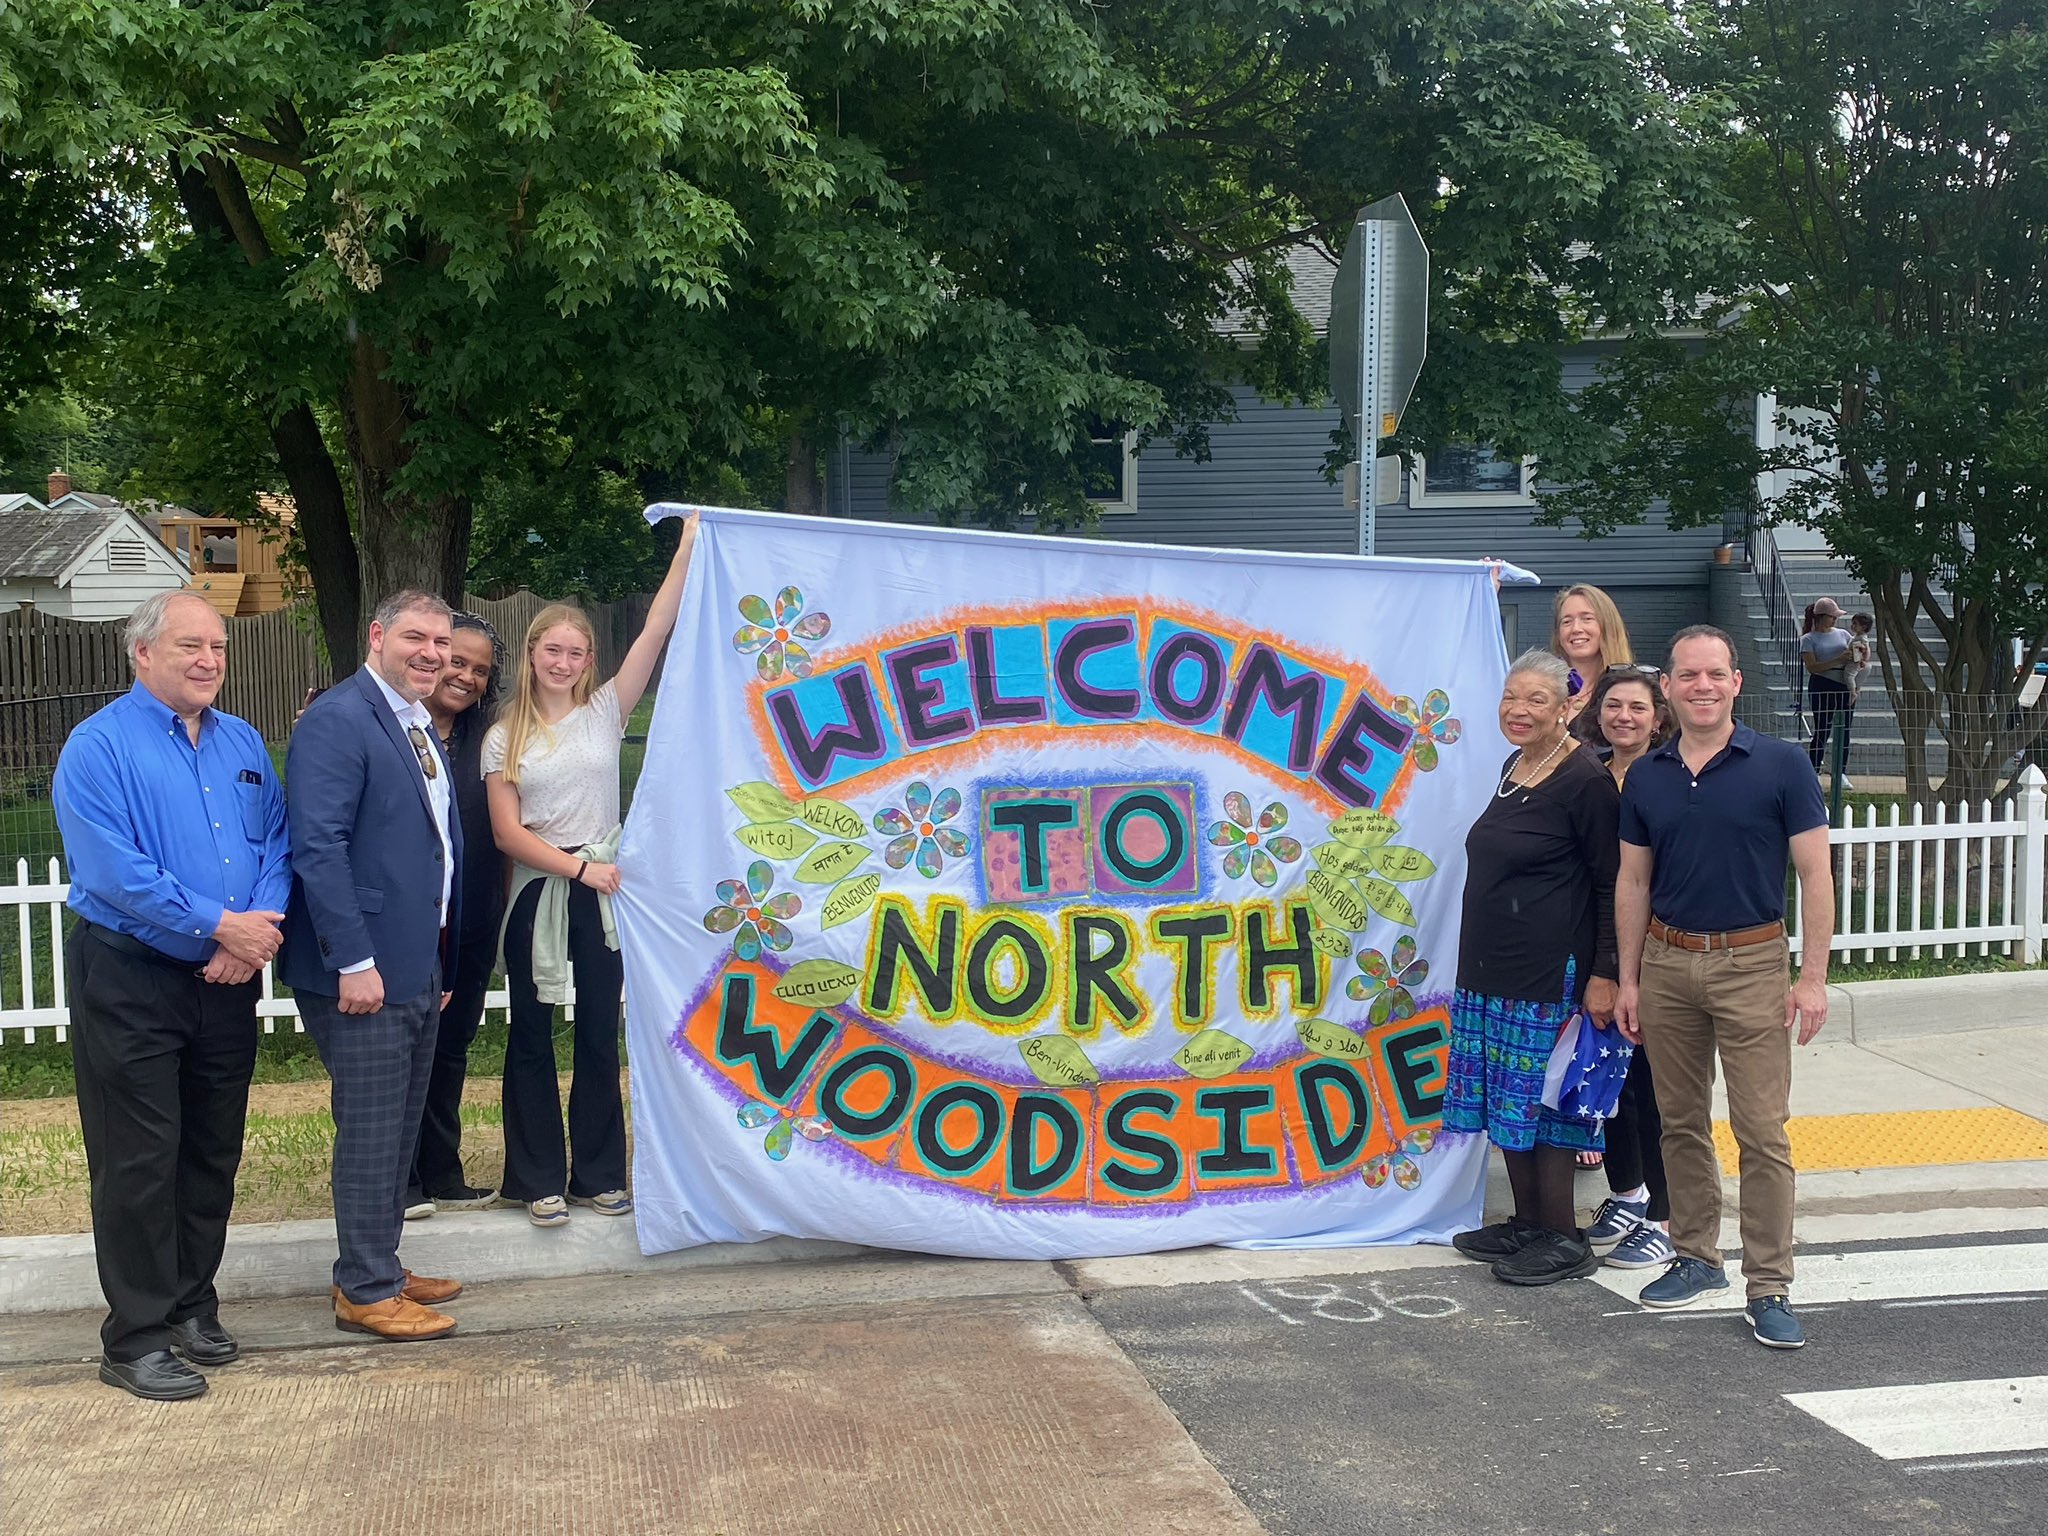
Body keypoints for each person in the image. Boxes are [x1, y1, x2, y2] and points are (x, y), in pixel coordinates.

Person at [51, 591, 290, 1401]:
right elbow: (115, 873)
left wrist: (247, 932)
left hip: (225, 985)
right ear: (142, 654)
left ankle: (191, 1305)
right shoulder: (98, 749)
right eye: (191, 646)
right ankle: (136, 1336)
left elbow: (276, 845)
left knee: (210, 1151)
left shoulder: (245, 743)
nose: (209, 661)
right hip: (130, 979)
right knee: (139, 1158)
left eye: (218, 647)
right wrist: (223, 925)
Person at [1614, 625, 1833, 1349]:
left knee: (1762, 1133)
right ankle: (1696, 1256)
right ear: (1670, 688)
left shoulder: (1780, 765)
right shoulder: (1648, 773)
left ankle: (1768, 1284)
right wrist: (1631, 978)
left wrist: (1811, 980)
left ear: (1736, 681)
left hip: (1752, 965)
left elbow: (1815, 875)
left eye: (1714, 674)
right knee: (1679, 1123)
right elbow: (1633, 879)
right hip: (1669, 963)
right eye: (1687, 675)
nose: (1701, 686)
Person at [486, 516, 698, 1226]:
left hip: (602, 896)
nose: (564, 661)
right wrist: (577, 870)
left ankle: (600, 1174)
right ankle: (536, 1177)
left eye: (576, 652)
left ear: (587, 660)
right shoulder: (503, 734)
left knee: (599, 1034)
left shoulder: (607, 711)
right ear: (533, 652)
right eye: (553, 648)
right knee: (531, 1033)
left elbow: (655, 632)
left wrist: (689, 546)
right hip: (542, 892)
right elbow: (506, 832)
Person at [279, 589, 466, 1341]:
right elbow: (317, 848)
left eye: (442, 644)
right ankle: (364, 1288)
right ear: (378, 634)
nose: (432, 654)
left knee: (396, 1127)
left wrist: (439, 960)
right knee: (371, 1127)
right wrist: (353, 960)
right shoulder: (340, 718)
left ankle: (378, 1263)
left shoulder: (413, 724)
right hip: (362, 971)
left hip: (413, 961)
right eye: (416, 637)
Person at [1445, 649, 1621, 1286]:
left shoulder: (1586, 781)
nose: (1518, 711)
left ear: (1568, 706)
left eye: (1536, 700)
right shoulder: (1512, 767)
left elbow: (1610, 884)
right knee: (1508, 1101)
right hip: (1492, 969)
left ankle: (1564, 1237)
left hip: (1548, 973)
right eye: (1510, 698)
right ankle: (1526, 1223)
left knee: (1545, 1104)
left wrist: (1604, 974)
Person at [403, 612, 508, 1218]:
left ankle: (441, 1171)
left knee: (450, 1047)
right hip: (410, 926)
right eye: (456, 660)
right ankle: (401, 1179)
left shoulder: (488, 741)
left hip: (472, 921)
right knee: (400, 1050)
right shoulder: (395, 731)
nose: (464, 676)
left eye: (479, 670)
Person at [1575, 665, 1679, 1272]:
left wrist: (1621, 967)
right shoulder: (1587, 773)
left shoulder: (1665, 777)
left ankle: (1667, 1214)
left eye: (1638, 708)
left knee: (1656, 1087)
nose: (1625, 717)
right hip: (1596, 945)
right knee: (1611, 1082)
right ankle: (1628, 1191)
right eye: (1614, 705)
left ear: (1657, 716)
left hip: (1652, 950)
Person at [1550, 583, 1634, 729]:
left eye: (1587, 619)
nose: (1576, 629)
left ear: (1608, 627)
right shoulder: (1547, 687)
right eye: (1567, 621)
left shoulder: (1630, 688)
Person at [1799, 598, 1854, 773]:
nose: (1835, 620)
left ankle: (1841, 771)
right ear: (1821, 617)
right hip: (1822, 684)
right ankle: (1814, 768)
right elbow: (1812, 667)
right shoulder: (1809, 639)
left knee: (1845, 728)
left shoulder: (1843, 634)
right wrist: (1837, 660)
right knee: (1823, 727)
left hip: (1843, 683)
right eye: (1831, 616)